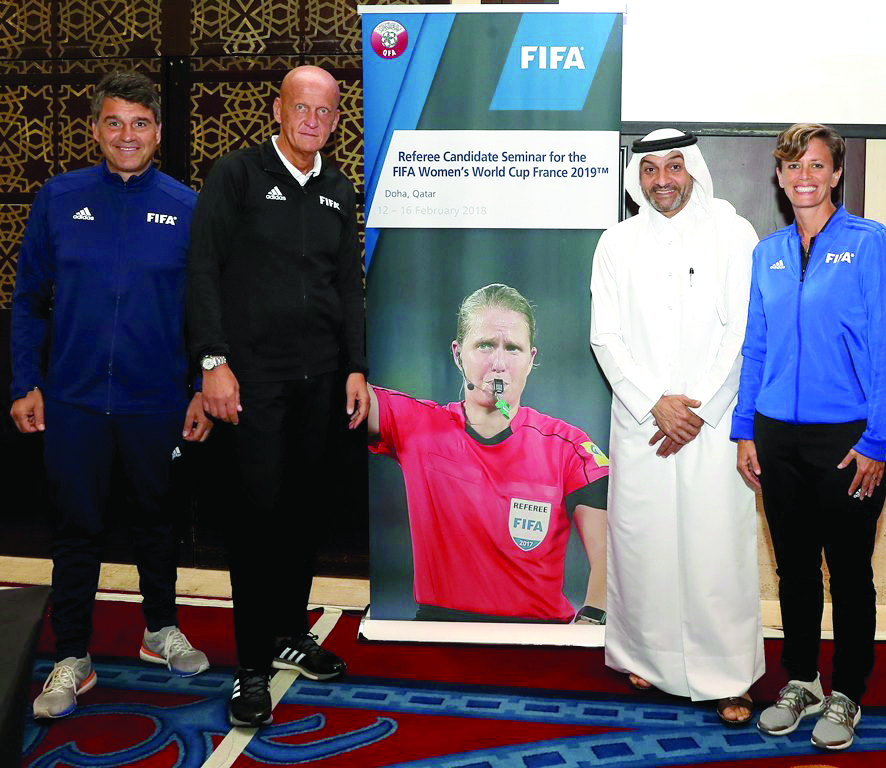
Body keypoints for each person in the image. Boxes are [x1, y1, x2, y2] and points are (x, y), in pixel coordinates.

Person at [9, 71, 211, 720]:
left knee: (158, 521)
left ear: (159, 132)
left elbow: (206, 311)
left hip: (156, 401)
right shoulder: (58, 199)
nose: (128, 136)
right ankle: (73, 656)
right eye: (115, 123)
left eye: (141, 123)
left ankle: (160, 629)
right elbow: (29, 303)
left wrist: (203, 387)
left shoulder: (186, 206)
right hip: (70, 400)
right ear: (96, 129)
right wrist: (24, 383)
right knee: (75, 530)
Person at [187, 65, 369, 728]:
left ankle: (291, 633)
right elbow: (201, 268)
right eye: (302, 108)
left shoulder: (338, 188)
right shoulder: (235, 176)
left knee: (301, 516)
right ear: (278, 108)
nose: (312, 121)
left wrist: (354, 365)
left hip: (320, 381)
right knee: (256, 522)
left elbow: (347, 283)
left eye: (324, 111)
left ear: (334, 119)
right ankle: (251, 668)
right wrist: (213, 362)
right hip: (251, 383)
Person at [732, 123, 886, 750]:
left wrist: (878, 442)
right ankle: (801, 680)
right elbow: (756, 346)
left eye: (815, 165)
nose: (803, 176)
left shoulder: (870, 244)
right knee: (795, 569)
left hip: (849, 441)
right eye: (791, 166)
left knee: (850, 571)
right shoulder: (767, 253)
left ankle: (847, 693)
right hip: (777, 437)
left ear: (836, 174)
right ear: (779, 177)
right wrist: (745, 428)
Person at [590, 128, 764, 725]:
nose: (662, 180)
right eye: (649, 170)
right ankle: (647, 655)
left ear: (692, 169)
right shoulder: (616, 242)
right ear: (636, 177)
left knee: (716, 547)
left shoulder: (733, 232)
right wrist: (653, 403)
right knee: (645, 543)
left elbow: (744, 330)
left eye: (673, 167)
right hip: (643, 422)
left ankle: (728, 674)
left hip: (712, 423)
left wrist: (699, 408)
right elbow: (604, 335)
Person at [367, 283, 608, 624]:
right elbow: (348, 396)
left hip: (540, 643)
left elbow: (612, 551)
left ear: (531, 359)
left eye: (512, 348)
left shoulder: (568, 448)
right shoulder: (416, 424)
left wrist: (591, 619)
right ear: (457, 354)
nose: (498, 363)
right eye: (484, 345)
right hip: (439, 637)